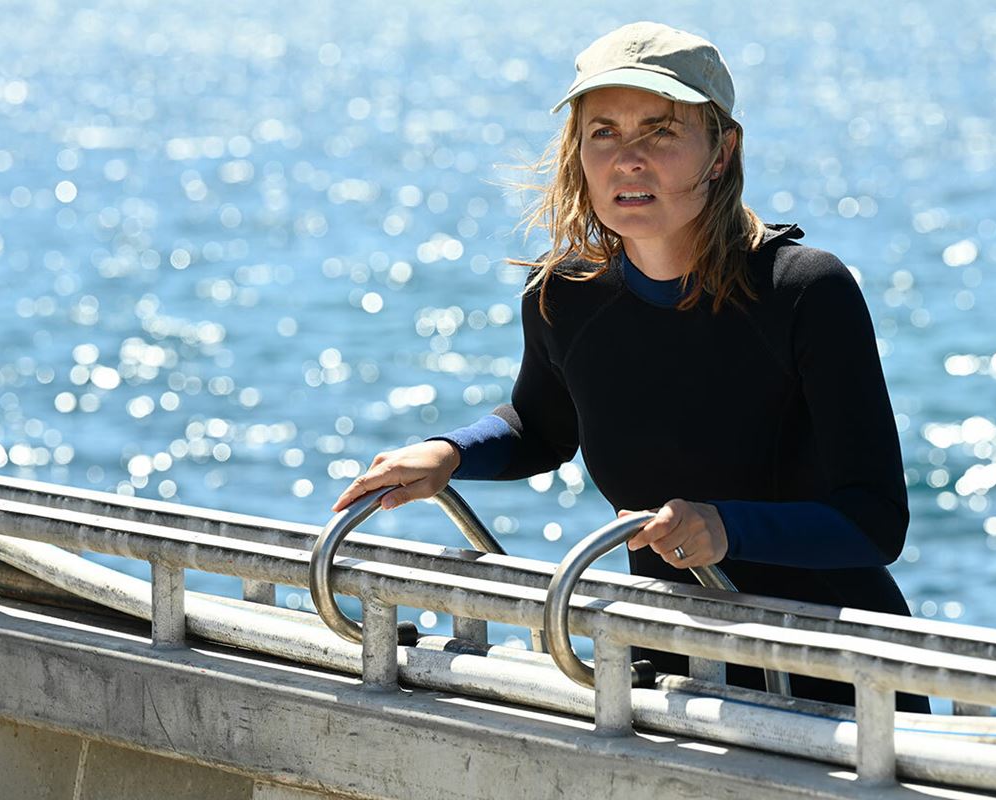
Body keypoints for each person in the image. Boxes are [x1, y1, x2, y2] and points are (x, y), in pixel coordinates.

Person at [334, 21, 928, 712]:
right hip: (664, 677)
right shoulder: (564, 295)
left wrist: (726, 528)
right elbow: (539, 427)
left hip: (839, 685)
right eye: (604, 133)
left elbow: (874, 520)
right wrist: (450, 452)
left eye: (661, 131)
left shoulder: (804, 290)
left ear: (722, 151)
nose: (629, 159)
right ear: (578, 153)